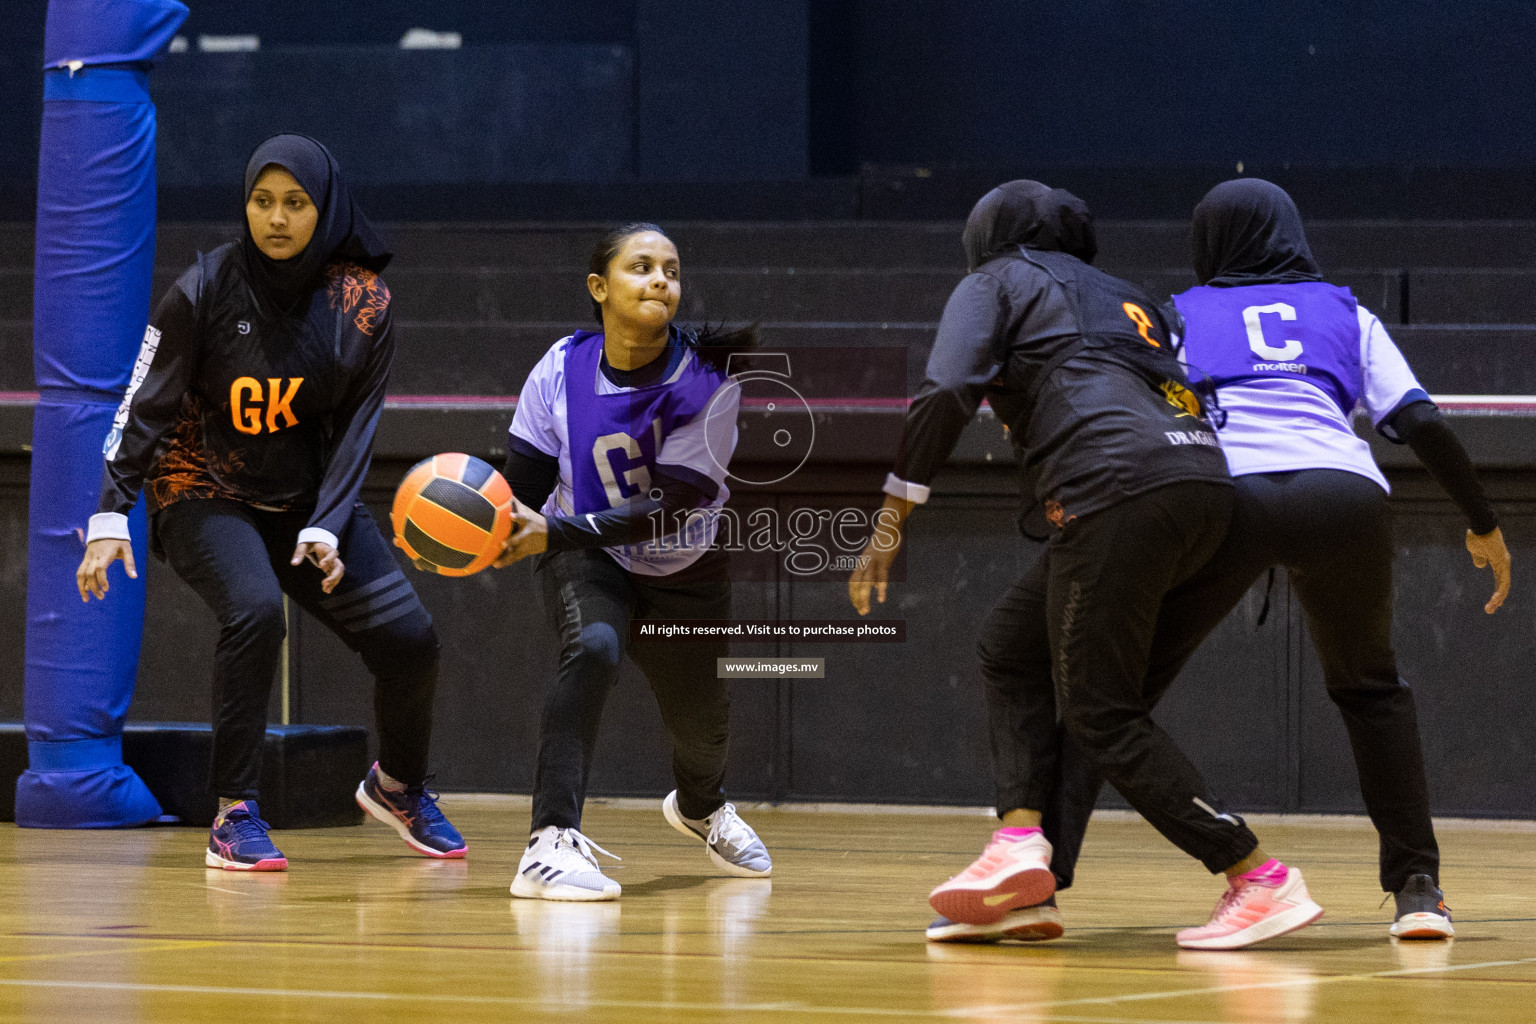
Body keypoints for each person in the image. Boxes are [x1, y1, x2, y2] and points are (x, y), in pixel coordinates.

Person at [850, 180, 1325, 951]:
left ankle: (1254, 872)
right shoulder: (1127, 293)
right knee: (1011, 646)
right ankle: (1024, 868)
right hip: (1209, 489)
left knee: (1101, 712)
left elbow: (944, 389)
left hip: (1116, 492)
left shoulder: (995, 280)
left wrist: (892, 517)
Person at [75, 134, 465, 871]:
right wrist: (107, 515)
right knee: (254, 613)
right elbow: (142, 409)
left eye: (295, 203)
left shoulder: (363, 304)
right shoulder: (204, 287)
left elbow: (357, 430)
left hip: (308, 499)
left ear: (325, 208)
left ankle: (399, 787)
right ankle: (233, 814)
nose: (277, 218)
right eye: (262, 201)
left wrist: (326, 522)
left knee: (410, 643)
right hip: (203, 488)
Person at [494, 222, 771, 902]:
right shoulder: (559, 367)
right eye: (641, 267)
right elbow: (522, 494)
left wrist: (555, 531)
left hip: (686, 572)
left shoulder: (707, 381)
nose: (660, 281)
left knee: (702, 727)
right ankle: (548, 843)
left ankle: (702, 805)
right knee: (592, 648)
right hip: (592, 560)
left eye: (671, 271)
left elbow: (669, 508)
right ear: (599, 287)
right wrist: (486, 531)